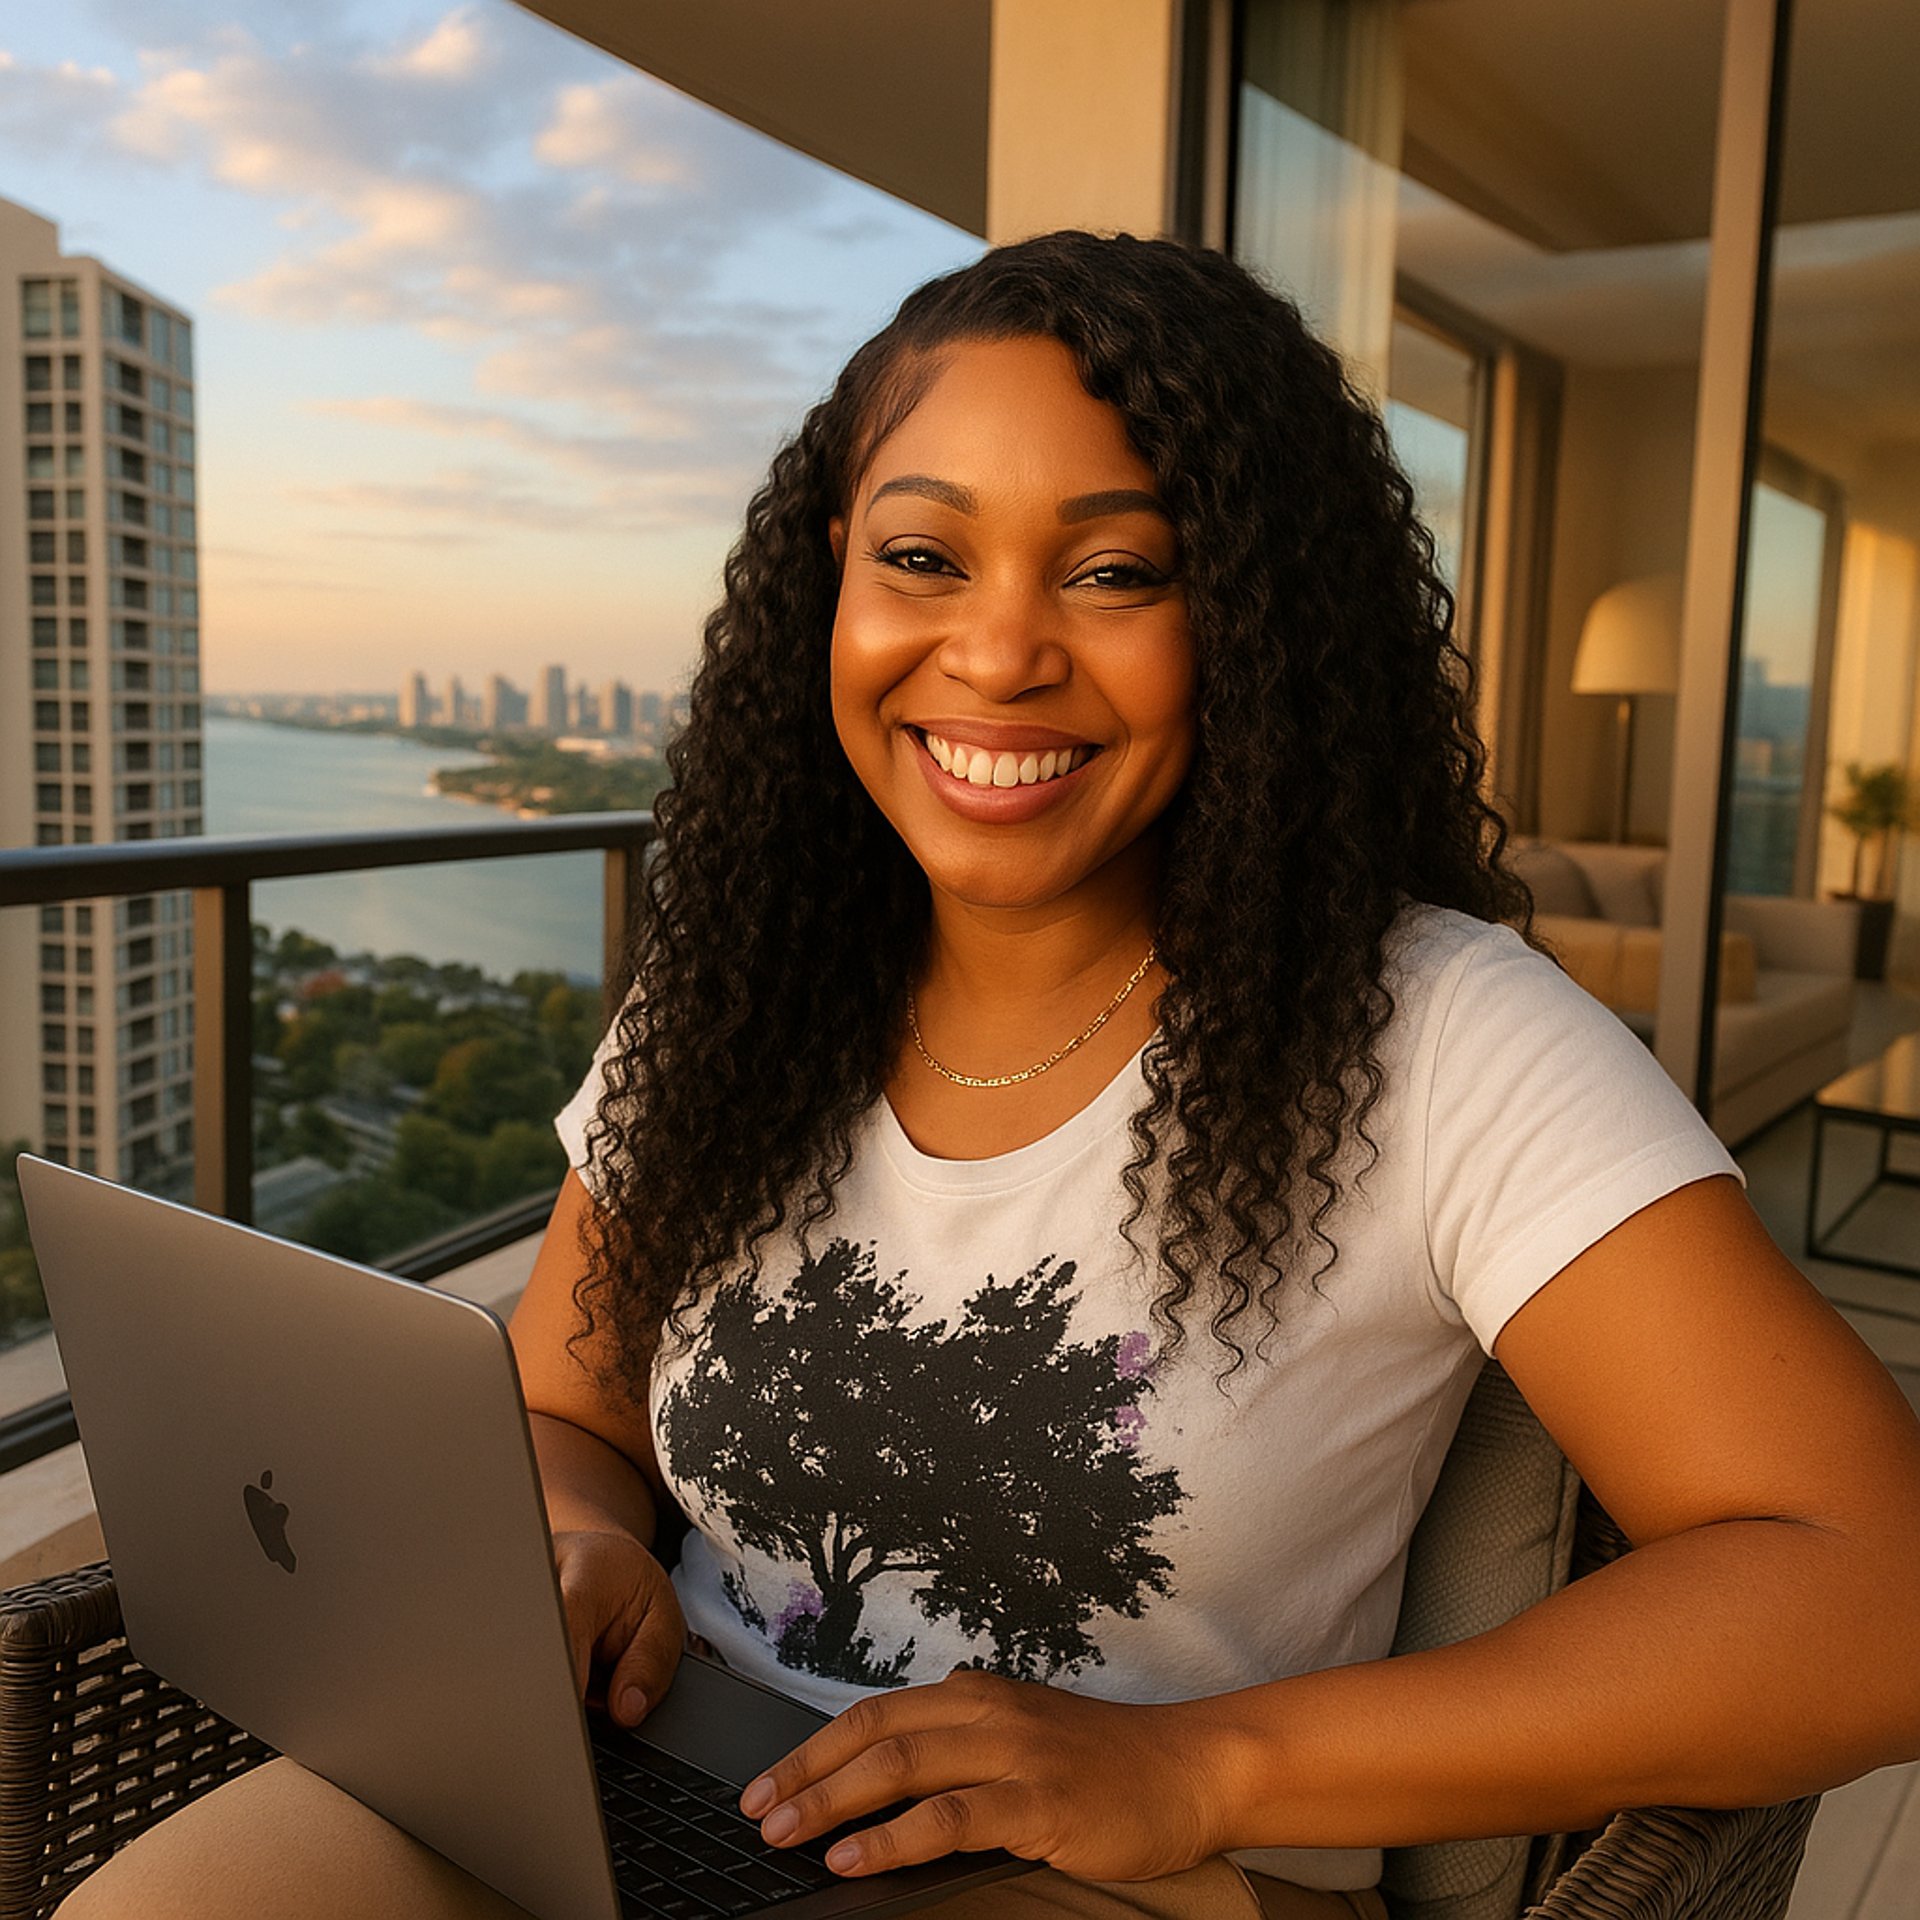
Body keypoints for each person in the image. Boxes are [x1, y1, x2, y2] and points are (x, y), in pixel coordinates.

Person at [64, 232, 1920, 1920]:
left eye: (1116, 571)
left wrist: (1199, 1767)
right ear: (833, 584)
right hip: (652, 1771)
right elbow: (571, 1406)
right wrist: (574, 1541)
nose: (1001, 652)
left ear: (1252, 629)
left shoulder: (1441, 1038)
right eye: (923, 557)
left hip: (1115, 1878)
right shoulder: (739, 989)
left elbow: (1873, 1591)